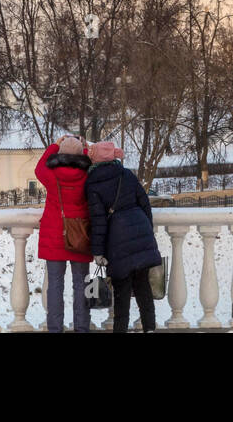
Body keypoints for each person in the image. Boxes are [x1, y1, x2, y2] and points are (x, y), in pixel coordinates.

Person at [86, 141, 161, 332]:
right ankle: (150, 329)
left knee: (122, 293)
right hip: (140, 231)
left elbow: (98, 221)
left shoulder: (93, 183)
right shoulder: (126, 174)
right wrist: (146, 231)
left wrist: (98, 252)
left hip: (118, 241)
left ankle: (120, 329)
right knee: (144, 288)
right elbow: (145, 204)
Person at [34, 134, 92, 332]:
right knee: (81, 285)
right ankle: (82, 327)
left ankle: (55, 328)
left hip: (55, 234)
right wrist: (83, 148)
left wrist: (54, 146)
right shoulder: (87, 175)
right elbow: (89, 162)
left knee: (55, 287)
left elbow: (39, 168)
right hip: (80, 235)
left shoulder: (52, 174)